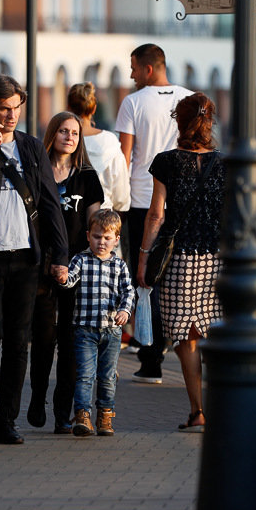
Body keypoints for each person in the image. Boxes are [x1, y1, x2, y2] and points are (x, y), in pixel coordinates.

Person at [0, 73, 69, 445]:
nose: (11, 115)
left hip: (26, 260)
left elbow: (50, 203)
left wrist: (60, 255)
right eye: (4, 108)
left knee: (19, 342)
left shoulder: (32, 148)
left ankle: (7, 419)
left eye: (16, 108)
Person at [136, 92, 225, 432]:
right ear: (209, 123)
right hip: (217, 258)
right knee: (214, 331)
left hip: (180, 260)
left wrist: (144, 257)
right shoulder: (225, 163)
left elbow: (156, 215)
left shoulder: (166, 162)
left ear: (179, 122)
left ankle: (198, 410)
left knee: (186, 336)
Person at [115, 43, 193, 384]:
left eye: (134, 68)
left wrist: (117, 200)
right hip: (180, 200)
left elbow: (124, 156)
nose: (131, 74)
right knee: (176, 276)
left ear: (148, 68)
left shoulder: (133, 102)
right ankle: (173, 344)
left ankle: (151, 358)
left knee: (145, 277)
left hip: (142, 199)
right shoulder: (189, 99)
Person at [28, 111, 104, 434]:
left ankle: (63, 411)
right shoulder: (36, 171)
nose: (69, 137)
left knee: (71, 341)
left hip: (76, 268)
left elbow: (95, 224)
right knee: (43, 337)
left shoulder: (87, 177)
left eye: (74, 133)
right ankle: (37, 398)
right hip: (41, 266)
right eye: (63, 131)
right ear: (52, 134)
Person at [57, 209, 135, 437]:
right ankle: (82, 415)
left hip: (112, 330)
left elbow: (128, 291)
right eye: (97, 237)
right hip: (85, 329)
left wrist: (124, 310)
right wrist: (63, 277)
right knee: (85, 374)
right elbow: (70, 280)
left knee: (108, 377)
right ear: (88, 236)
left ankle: (105, 416)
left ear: (116, 239)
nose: (102, 242)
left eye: (107, 238)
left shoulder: (119, 265)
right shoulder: (80, 260)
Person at [67, 82, 130, 213]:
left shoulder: (64, 140)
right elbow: (121, 195)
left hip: (70, 210)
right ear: (94, 108)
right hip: (103, 213)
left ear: (68, 107)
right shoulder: (109, 141)